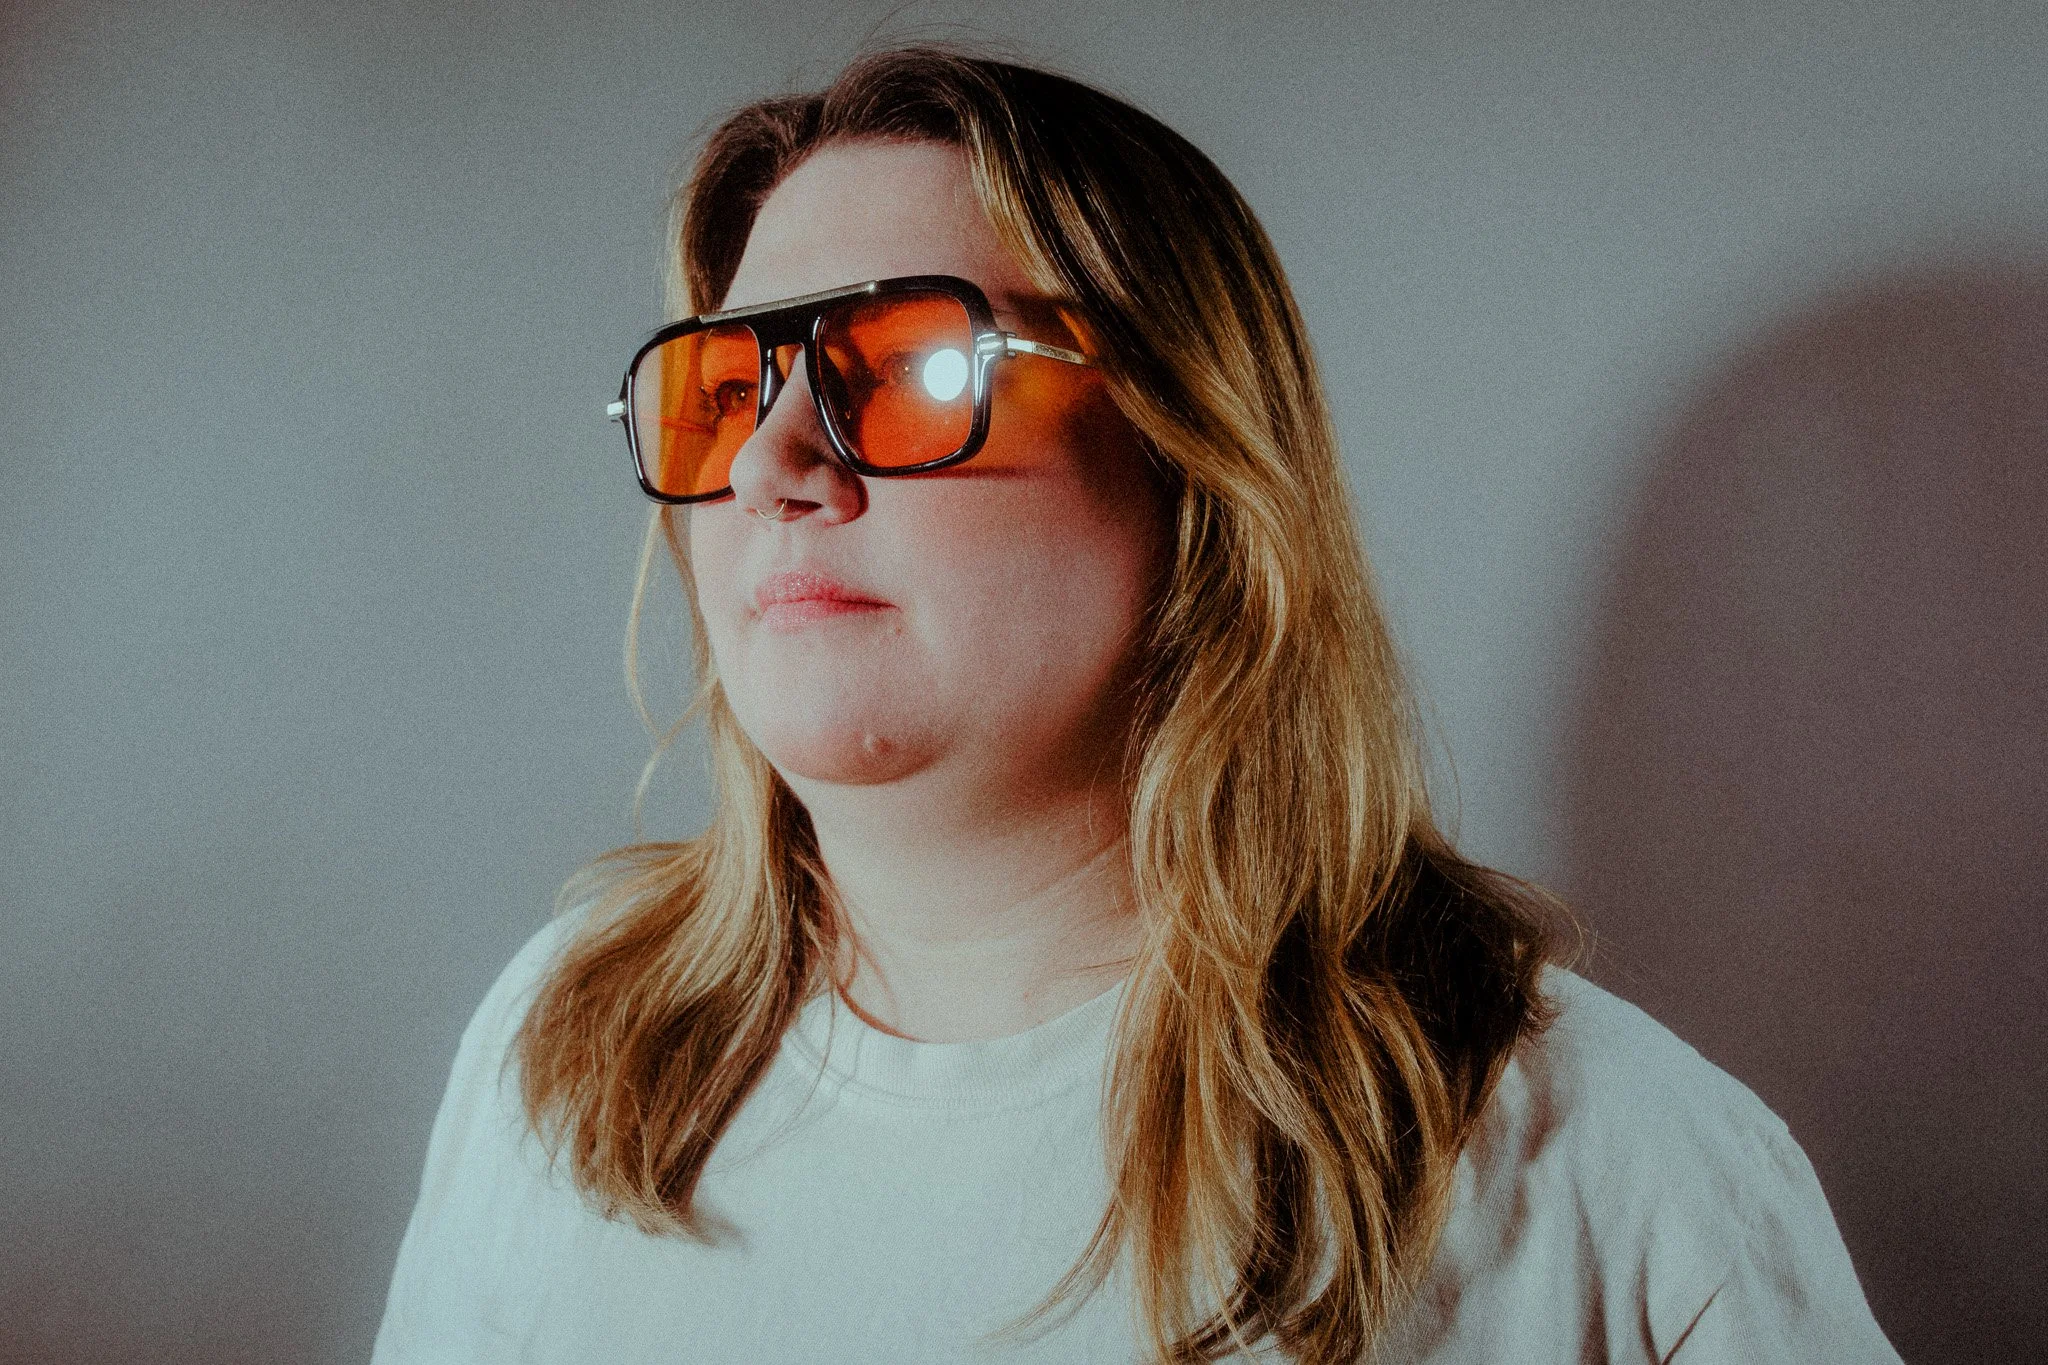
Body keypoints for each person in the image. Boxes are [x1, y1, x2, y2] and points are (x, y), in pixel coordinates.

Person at [373, 46, 1901, 1365]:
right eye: (723, 387)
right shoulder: (566, 1059)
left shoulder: (1607, 1171)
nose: (775, 463)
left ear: (1195, 465)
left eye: (902, 368)